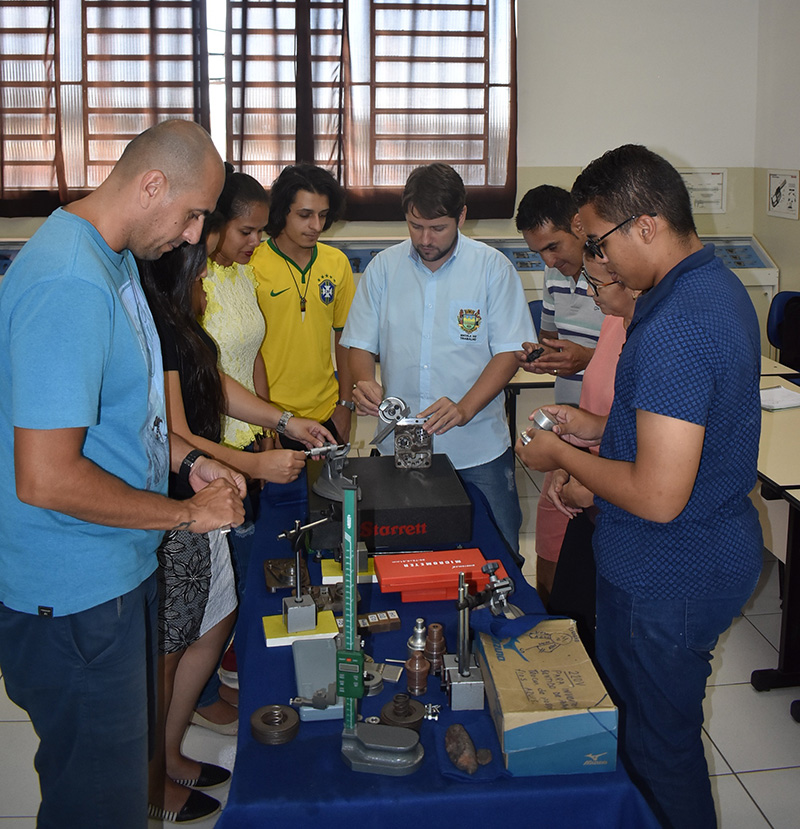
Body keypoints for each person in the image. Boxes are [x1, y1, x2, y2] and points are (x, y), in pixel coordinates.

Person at [0, 119, 247, 829]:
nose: (197, 234)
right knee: (97, 803)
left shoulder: (113, 262)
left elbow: (130, 422)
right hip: (73, 594)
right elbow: (45, 477)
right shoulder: (71, 281)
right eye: (194, 212)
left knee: (115, 781)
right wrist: (183, 515)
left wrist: (192, 462)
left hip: (115, 571)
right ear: (151, 184)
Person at [516, 144, 763, 829]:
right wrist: (596, 423)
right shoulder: (707, 287)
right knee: (637, 734)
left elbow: (658, 492)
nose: (596, 261)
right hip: (671, 556)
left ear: (645, 226)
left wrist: (559, 453)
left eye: (598, 242)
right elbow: (680, 429)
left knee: (662, 753)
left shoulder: (677, 323)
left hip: (673, 569)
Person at [140, 238, 331, 823]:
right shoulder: (159, 327)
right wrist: (253, 464)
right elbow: (173, 431)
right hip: (178, 503)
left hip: (208, 498)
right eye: (199, 278)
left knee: (215, 617)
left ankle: (171, 752)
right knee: (169, 649)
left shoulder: (183, 325)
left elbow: (214, 387)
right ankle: (151, 778)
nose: (206, 287)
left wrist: (283, 419)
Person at [342, 162, 535, 565]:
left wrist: (464, 407)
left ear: (461, 216)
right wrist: (363, 382)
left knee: (497, 558)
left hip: (477, 449)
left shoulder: (492, 269)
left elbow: (509, 352)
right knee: (409, 555)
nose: (425, 239)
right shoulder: (383, 269)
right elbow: (359, 343)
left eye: (438, 228)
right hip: (401, 447)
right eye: (415, 226)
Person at [539, 254, 639, 654]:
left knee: (612, 644)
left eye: (597, 286)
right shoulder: (615, 323)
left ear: (630, 281)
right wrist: (570, 448)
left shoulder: (659, 337)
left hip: (620, 508)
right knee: (569, 616)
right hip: (595, 492)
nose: (590, 295)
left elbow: (654, 455)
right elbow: (610, 420)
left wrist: (590, 487)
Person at [514, 185, 605, 602]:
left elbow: (631, 354)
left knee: (598, 528)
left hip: (610, 426)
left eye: (553, 246)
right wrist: (539, 354)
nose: (549, 261)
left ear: (579, 226)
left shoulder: (614, 273)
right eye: (539, 253)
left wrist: (587, 357)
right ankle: (550, 612)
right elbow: (551, 338)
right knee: (553, 524)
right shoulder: (553, 274)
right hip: (568, 418)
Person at [249, 163, 355, 450]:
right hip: (271, 418)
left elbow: (345, 339)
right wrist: (263, 424)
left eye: (322, 215)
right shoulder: (251, 264)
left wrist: (345, 407)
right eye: (305, 215)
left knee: (330, 495)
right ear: (281, 211)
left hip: (326, 414)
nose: (316, 226)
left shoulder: (337, 263)